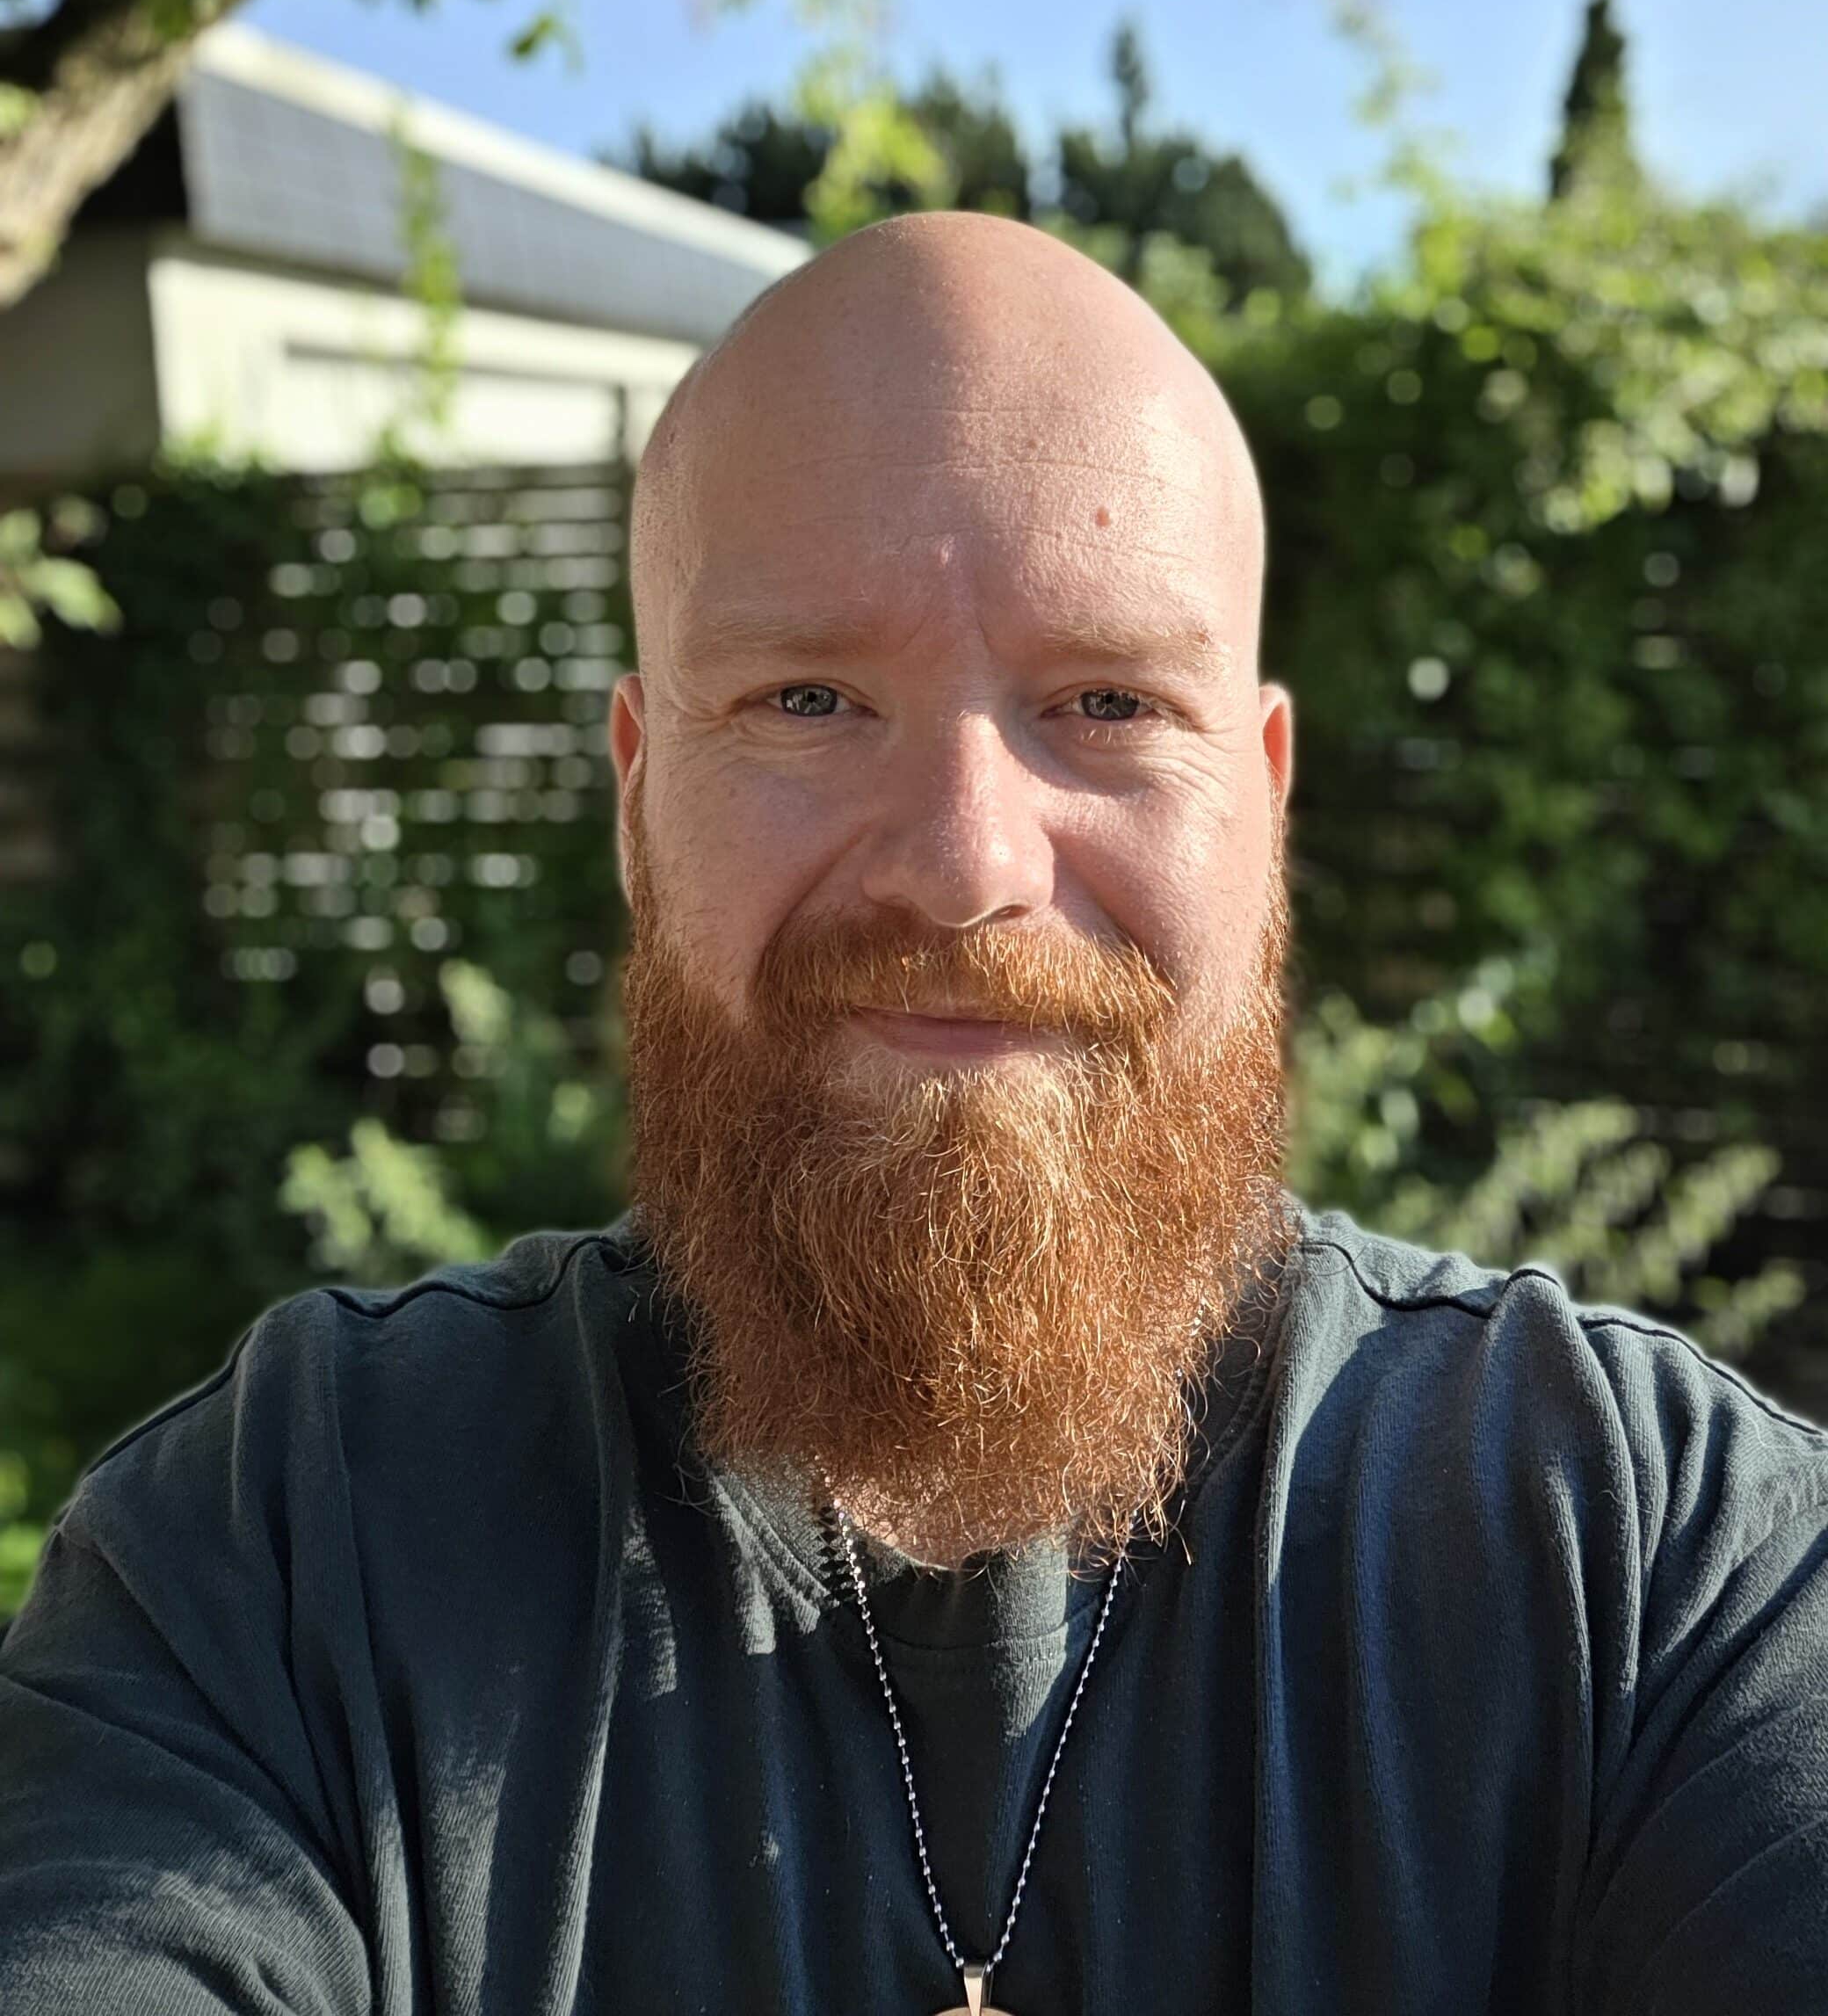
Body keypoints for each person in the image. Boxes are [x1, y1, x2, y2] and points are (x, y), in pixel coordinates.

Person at [1, 213, 1824, 2014]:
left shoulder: (1660, 1559)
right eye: (807, 698)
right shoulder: (277, 1552)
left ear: (1262, 809)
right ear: (637, 803)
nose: (965, 864)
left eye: (1106, 701)